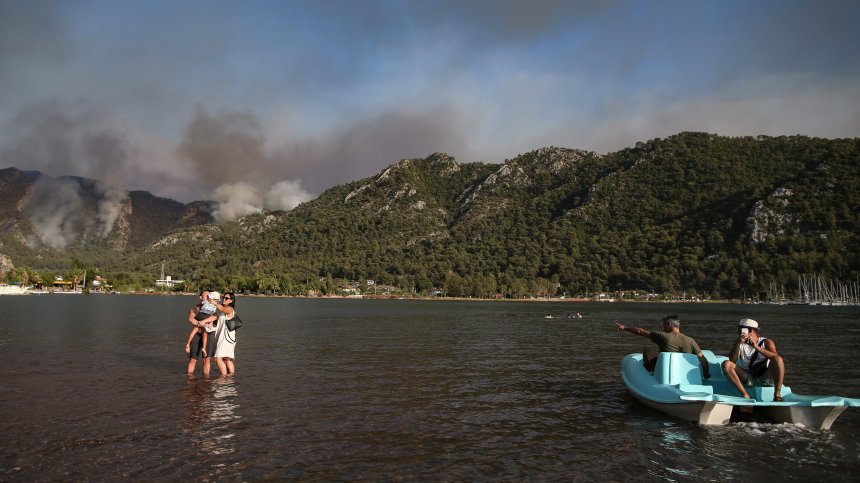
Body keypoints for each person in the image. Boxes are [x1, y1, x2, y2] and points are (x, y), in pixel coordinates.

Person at [615, 315, 711, 379]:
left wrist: (625, 327)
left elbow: (640, 332)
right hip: (683, 371)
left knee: (647, 350)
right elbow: (703, 359)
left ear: (669, 324)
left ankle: (650, 372)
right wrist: (706, 374)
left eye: (664, 325)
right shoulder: (691, 340)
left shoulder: (662, 336)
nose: (663, 327)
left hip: (665, 371)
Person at [721, 319, 786, 401]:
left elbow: (775, 357)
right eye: (739, 330)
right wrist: (738, 343)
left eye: (742, 329)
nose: (740, 332)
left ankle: (777, 394)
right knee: (726, 364)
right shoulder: (740, 344)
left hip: (766, 376)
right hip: (749, 376)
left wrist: (757, 347)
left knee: (778, 359)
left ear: (750, 330)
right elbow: (732, 361)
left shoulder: (766, 342)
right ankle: (745, 394)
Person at [200, 291, 239, 376]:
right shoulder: (222, 310)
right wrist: (205, 321)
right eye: (223, 297)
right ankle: (231, 377)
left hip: (226, 338)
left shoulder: (229, 309)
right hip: (224, 337)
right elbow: (214, 316)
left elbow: (222, 309)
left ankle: (224, 377)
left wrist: (215, 302)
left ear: (231, 301)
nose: (224, 299)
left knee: (218, 358)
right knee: (227, 359)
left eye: (227, 298)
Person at [186, 290, 219, 375]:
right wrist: (200, 324)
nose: (208, 297)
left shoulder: (212, 308)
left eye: (209, 296)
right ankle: (190, 378)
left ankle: (206, 378)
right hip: (197, 334)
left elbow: (215, 317)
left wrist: (205, 320)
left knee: (206, 358)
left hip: (208, 334)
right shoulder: (194, 308)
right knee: (193, 358)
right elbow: (191, 319)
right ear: (201, 297)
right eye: (206, 296)